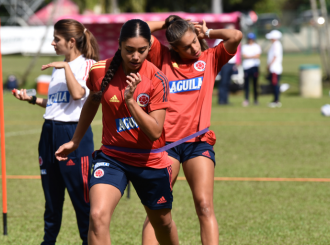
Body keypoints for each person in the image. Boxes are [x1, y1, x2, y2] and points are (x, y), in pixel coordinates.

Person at [55, 19, 179, 245]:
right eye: (129, 50)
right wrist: (75, 140)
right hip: (112, 157)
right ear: (120, 45)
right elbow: (92, 102)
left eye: (142, 51)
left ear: (150, 47)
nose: (135, 56)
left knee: (162, 222)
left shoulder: (158, 79)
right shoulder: (99, 71)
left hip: (149, 161)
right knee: (97, 216)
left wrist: (131, 102)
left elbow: (154, 131)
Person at [143, 16, 242, 245]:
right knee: (158, 210)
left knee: (204, 205)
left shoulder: (209, 59)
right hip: (166, 146)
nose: (194, 48)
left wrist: (207, 33)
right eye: (186, 47)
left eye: (195, 42)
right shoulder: (163, 58)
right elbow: (141, 31)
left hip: (197, 143)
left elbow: (235, 36)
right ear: (174, 48)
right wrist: (167, 22)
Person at [12, 19, 99, 245]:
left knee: (82, 201)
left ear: (71, 41)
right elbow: (56, 104)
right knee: (51, 200)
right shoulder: (61, 66)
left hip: (73, 134)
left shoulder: (88, 65)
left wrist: (67, 68)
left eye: (57, 39)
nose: (53, 43)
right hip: (49, 131)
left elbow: (79, 94)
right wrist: (31, 99)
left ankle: (88, 241)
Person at [214, 24, 240, 105]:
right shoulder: (220, 40)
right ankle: (221, 100)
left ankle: (225, 100)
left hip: (231, 64)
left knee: (228, 82)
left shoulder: (233, 40)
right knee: (223, 82)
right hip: (225, 64)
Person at [241, 32, 261, 106]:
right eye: (249, 39)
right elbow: (244, 56)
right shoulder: (245, 47)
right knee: (246, 84)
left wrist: (249, 56)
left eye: (251, 39)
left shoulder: (256, 46)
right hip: (246, 67)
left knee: (255, 84)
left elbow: (257, 56)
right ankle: (246, 99)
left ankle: (255, 100)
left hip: (255, 67)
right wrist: (252, 56)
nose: (250, 40)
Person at [265, 30, 283, 108]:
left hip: (275, 68)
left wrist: (269, 65)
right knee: (273, 84)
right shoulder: (275, 44)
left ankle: (276, 101)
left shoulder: (276, 44)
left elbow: (275, 56)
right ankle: (275, 100)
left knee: (275, 85)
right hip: (274, 68)